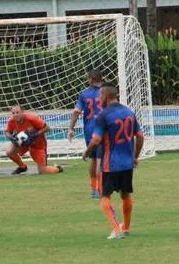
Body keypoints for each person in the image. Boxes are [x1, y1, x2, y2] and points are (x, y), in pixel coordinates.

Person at [83, 84, 144, 240]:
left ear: (106, 96)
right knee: (125, 194)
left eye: (100, 96)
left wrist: (87, 151)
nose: (98, 99)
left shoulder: (103, 115)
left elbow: (96, 139)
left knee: (105, 196)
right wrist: (135, 156)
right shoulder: (129, 112)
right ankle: (127, 227)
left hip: (110, 164)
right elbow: (140, 136)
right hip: (127, 163)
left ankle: (117, 229)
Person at [68, 69, 104, 198]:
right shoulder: (107, 92)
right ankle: (100, 189)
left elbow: (77, 111)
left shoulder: (84, 94)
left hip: (89, 131)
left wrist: (71, 128)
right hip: (103, 129)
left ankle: (94, 189)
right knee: (101, 160)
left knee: (93, 159)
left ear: (90, 79)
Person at [5, 105, 63, 175]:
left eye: (17, 112)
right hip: (23, 143)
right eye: (13, 113)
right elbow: (7, 132)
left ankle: (58, 168)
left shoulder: (32, 118)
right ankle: (22, 167)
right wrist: (12, 138)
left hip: (38, 145)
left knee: (42, 171)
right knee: (9, 152)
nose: (15, 115)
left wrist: (35, 135)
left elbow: (47, 128)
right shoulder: (12, 120)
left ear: (23, 112)